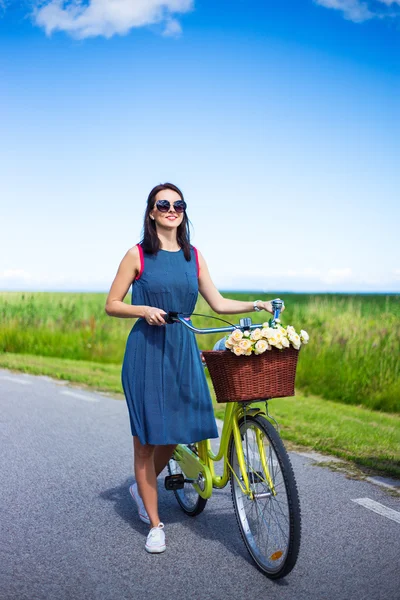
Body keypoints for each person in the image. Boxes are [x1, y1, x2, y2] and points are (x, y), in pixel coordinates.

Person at [105, 182, 279, 554]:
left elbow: (216, 302)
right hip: (146, 352)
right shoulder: (136, 255)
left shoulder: (194, 256)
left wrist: (256, 303)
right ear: (151, 213)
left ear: (184, 211)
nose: (171, 209)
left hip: (182, 347)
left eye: (177, 203)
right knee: (146, 440)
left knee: (174, 433)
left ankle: (143, 483)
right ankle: (154, 524)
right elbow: (112, 303)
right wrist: (142, 309)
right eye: (162, 204)